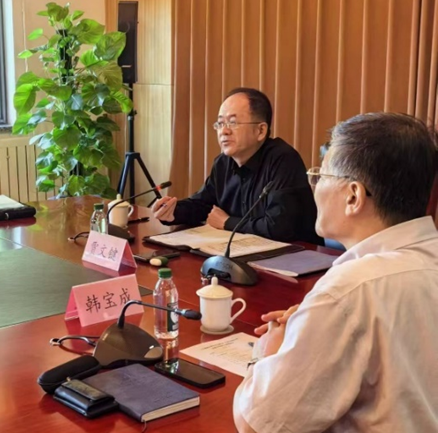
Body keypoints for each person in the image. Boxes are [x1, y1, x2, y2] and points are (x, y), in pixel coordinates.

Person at [233, 112, 438, 432]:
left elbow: (255, 424)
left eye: (320, 176)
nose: (313, 187)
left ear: (353, 196)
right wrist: (313, 322)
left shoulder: (349, 290)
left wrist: (268, 350)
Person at [152, 88, 321, 244]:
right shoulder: (223, 163)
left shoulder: (283, 160)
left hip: (296, 257)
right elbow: (203, 206)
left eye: (233, 123)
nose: (224, 131)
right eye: (220, 124)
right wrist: (172, 212)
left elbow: (279, 228)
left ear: (261, 131)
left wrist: (227, 222)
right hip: (243, 252)